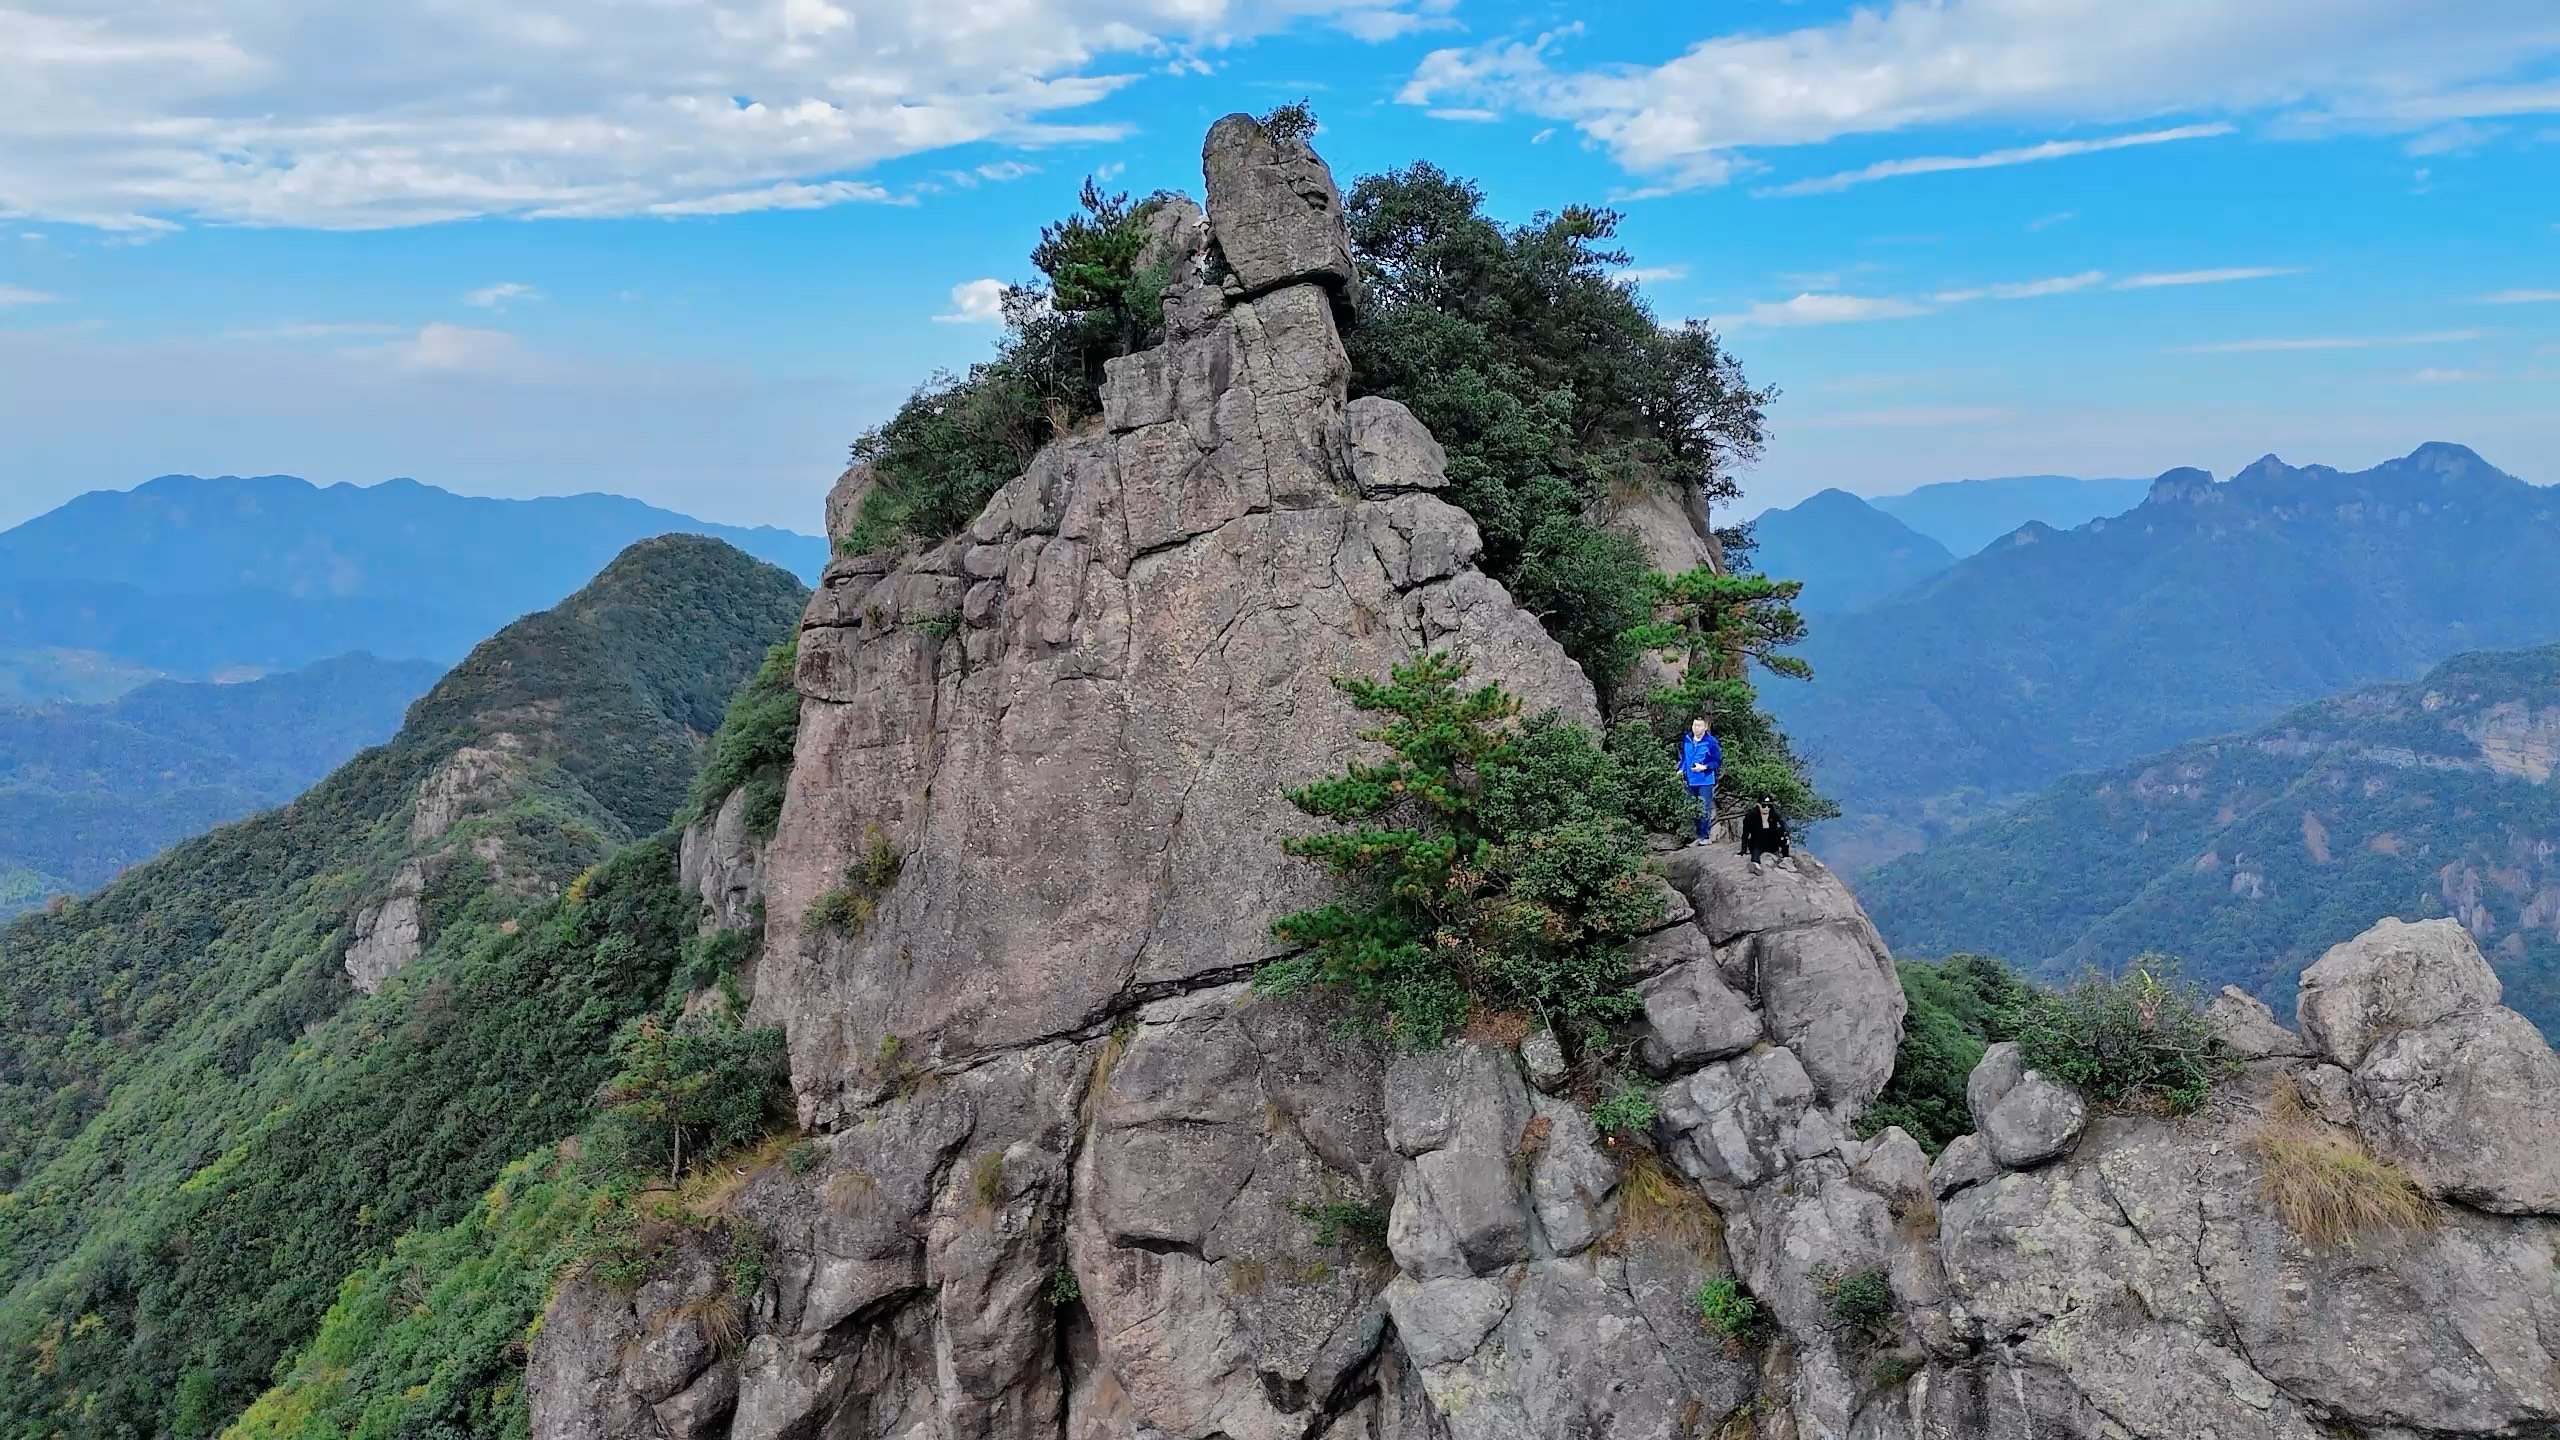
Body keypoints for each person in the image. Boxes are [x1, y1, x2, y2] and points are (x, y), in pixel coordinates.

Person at [1678, 716, 1722, 846]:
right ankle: (1698, 836)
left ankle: (1705, 836)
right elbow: (1685, 758)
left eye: (1699, 726)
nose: (1696, 728)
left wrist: (1705, 767)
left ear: (1705, 727)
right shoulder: (1687, 739)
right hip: (1690, 780)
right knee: (1693, 809)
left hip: (1705, 780)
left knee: (1704, 808)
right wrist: (1681, 769)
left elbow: (1717, 761)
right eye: (1694, 725)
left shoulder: (1711, 742)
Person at [1739, 794, 1791, 872]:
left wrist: (1786, 834)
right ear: (1758, 805)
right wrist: (1743, 850)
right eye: (1764, 806)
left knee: (1783, 834)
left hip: (1772, 842)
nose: (1766, 808)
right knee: (1755, 841)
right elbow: (1745, 834)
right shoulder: (1751, 816)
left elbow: (1785, 824)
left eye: (1769, 806)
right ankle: (1755, 863)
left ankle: (1786, 859)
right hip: (1758, 842)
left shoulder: (1774, 813)